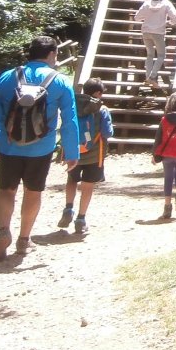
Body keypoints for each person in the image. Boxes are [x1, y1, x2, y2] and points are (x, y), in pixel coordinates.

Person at [0, 35, 79, 260]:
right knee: (33, 192)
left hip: (9, 146)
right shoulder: (60, 81)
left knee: (6, 190)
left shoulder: (8, 77)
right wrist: (71, 151)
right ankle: (24, 240)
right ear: (52, 54)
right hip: (41, 148)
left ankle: (4, 230)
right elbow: (70, 119)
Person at [58, 77, 112, 236]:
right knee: (88, 185)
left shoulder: (72, 105)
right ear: (97, 93)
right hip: (95, 154)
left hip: (73, 152)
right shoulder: (102, 110)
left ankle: (68, 208)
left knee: (72, 180)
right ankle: (81, 220)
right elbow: (108, 132)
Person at [132, 0, 176, 88]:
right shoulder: (166, 3)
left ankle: (148, 76)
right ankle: (152, 77)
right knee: (161, 55)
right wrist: (169, 22)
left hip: (145, 32)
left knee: (150, 55)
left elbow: (137, 17)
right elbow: (175, 18)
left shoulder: (147, 3)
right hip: (158, 33)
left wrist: (147, 19)